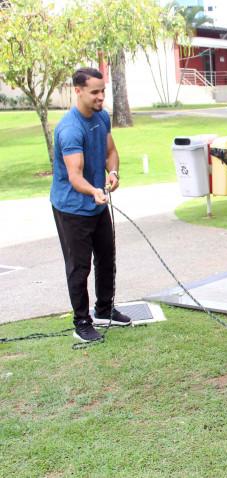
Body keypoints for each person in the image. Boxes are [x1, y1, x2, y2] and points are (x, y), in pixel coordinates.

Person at [50, 67, 131, 343]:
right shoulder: (70, 129)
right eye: (95, 92)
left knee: (107, 257)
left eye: (103, 91)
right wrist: (94, 191)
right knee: (79, 266)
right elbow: (74, 176)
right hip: (72, 208)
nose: (100, 97)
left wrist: (114, 173)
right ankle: (81, 322)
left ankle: (104, 309)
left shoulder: (102, 117)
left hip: (97, 203)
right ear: (78, 91)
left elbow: (111, 151)